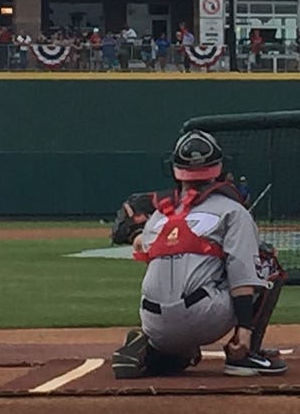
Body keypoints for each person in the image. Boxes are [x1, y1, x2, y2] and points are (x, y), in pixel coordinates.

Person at [111, 130, 287, 379]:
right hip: (203, 317)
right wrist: (244, 328)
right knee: (268, 262)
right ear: (218, 167)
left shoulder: (161, 214)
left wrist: (137, 236)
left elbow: (148, 251)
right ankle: (244, 354)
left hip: (153, 322)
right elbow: (242, 273)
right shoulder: (233, 211)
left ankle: (156, 352)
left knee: (183, 353)